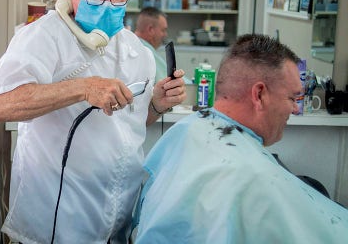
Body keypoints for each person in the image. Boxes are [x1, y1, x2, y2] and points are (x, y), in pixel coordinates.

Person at [0, 0, 186, 243]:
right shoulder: (42, 37)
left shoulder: (137, 50)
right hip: (56, 218)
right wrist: (81, 87)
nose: (108, 3)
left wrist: (156, 104)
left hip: (117, 216)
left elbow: (131, 125)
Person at [134, 34, 348, 243]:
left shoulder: (187, 128)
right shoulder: (249, 178)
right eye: (292, 97)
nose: (294, 108)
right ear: (259, 94)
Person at [134, 6, 190, 84]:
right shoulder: (145, 50)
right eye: (163, 30)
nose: (165, 35)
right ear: (150, 30)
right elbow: (167, 81)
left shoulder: (134, 44)